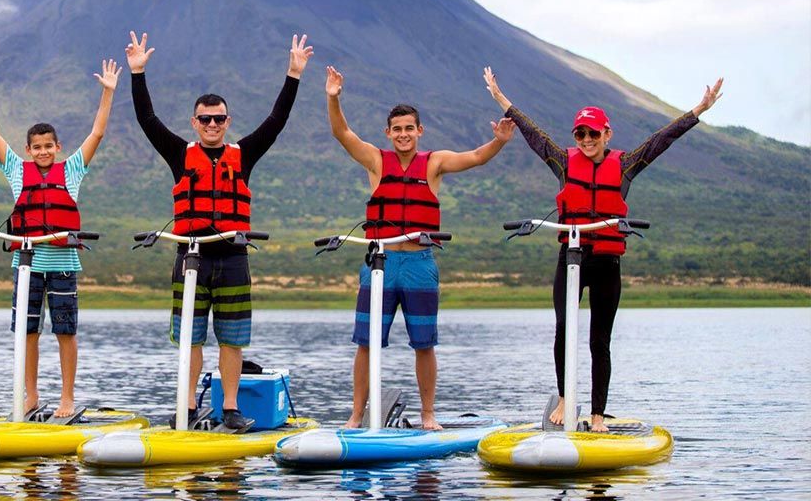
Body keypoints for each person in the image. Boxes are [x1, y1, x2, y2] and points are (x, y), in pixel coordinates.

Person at [484, 67, 724, 432]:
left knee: (600, 338)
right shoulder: (564, 162)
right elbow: (535, 136)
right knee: (564, 326)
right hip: (571, 257)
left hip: (607, 261)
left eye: (592, 133)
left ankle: (597, 415)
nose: (585, 139)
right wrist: (502, 99)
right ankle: (566, 398)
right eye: (580, 133)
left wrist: (698, 110)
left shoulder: (625, 165)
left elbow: (663, 139)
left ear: (606, 133)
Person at [125, 30, 313, 429]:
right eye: (206, 119)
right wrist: (137, 74)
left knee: (232, 339)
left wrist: (293, 75)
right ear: (195, 122)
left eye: (220, 119)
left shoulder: (243, 155)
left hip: (232, 258)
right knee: (191, 339)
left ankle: (230, 410)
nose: (213, 124)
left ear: (228, 122)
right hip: (190, 258)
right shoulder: (180, 153)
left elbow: (276, 121)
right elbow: (147, 118)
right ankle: (188, 409)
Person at [326, 65, 516, 430]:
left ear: (419, 130)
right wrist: (333, 98)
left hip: (419, 264)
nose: (403, 134)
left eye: (409, 128)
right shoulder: (376, 160)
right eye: (396, 129)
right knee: (366, 343)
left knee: (424, 343)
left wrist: (499, 142)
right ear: (388, 132)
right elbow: (342, 132)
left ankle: (428, 415)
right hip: (380, 264)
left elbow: (476, 157)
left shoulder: (435, 164)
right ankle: (355, 414)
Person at [0, 58, 122, 419]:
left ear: (58, 146)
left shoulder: (72, 171)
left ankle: (67, 398)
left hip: (63, 264)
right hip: (26, 265)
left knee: (65, 331)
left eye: (49, 146)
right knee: (28, 331)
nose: (43, 152)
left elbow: (96, 133)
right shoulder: (17, 172)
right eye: (36, 147)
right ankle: (31, 395)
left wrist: (108, 92)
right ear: (28, 149)